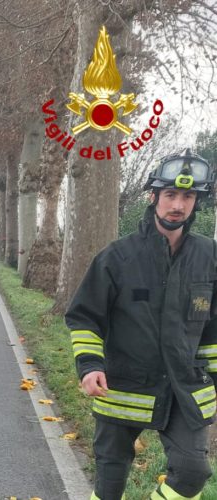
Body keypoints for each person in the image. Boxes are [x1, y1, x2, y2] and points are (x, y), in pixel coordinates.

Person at [65, 148, 217, 500]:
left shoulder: (209, 256)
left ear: (197, 201)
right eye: (170, 194)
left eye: (188, 196)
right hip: (121, 389)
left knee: (193, 473)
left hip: (184, 390)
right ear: (154, 197)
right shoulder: (117, 257)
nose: (178, 204)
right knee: (109, 486)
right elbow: (84, 316)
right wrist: (90, 366)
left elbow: (212, 328)